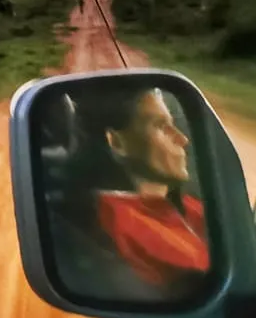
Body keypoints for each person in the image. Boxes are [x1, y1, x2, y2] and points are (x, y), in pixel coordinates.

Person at [64, 86, 209, 296]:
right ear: (117, 142)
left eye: (173, 125)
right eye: (161, 126)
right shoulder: (120, 222)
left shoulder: (187, 205)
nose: (182, 139)